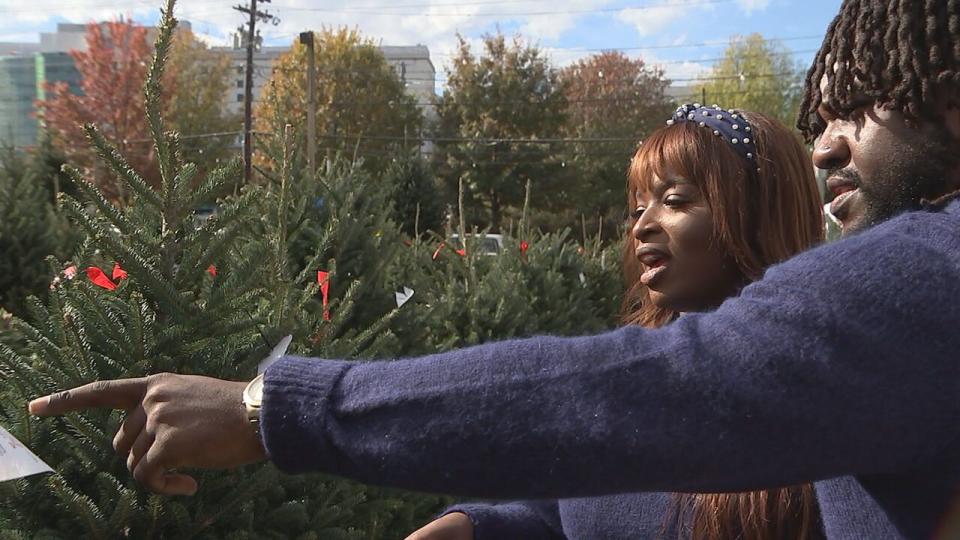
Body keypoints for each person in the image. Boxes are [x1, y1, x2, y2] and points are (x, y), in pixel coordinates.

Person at [27, 1, 960, 538]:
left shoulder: (921, 281)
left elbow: (652, 402)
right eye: (637, 200)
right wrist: (492, 527)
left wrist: (271, 409)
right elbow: (594, 478)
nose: (830, 143)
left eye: (868, 101)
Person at [407, 106, 825, 540]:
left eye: (675, 200)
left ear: (758, 214)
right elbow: (561, 514)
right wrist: (470, 527)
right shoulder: (626, 377)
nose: (642, 226)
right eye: (637, 208)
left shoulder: (824, 393)